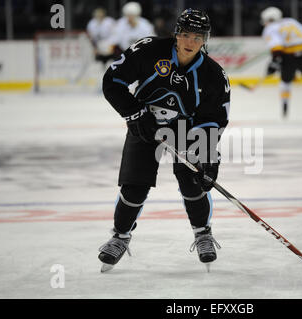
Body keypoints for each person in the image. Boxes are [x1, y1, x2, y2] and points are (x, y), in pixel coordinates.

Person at [98, 9, 231, 272]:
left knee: (194, 182)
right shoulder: (149, 51)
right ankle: (120, 236)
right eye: (185, 34)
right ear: (176, 34)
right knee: (134, 186)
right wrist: (134, 113)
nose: (189, 42)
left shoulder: (213, 74)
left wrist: (207, 157)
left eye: (197, 36)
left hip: (186, 127)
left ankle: (203, 233)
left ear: (205, 39)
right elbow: (112, 81)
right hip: (144, 120)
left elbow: (214, 118)